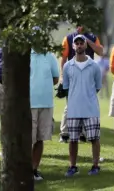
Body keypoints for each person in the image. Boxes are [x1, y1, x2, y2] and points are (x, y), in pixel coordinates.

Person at [62, 34, 102, 177]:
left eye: (81, 43)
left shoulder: (94, 66)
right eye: (76, 43)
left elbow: (98, 87)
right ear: (73, 46)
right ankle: (72, 166)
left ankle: (95, 165)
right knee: (73, 140)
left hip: (91, 108)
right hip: (73, 109)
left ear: (85, 45)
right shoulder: (67, 66)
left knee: (94, 138)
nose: (79, 45)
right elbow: (66, 86)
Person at [59, 26, 103, 143]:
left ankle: (83, 134)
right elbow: (63, 58)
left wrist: (87, 41)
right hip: (73, 73)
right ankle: (64, 133)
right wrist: (62, 76)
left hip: (88, 75)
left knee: (86, 105)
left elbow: (100, 51)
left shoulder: (93, 37)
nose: (80, 27)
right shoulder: (68, 38)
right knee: (70, 105)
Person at [30, 48, 59, 181]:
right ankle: (24, 170)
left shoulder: (50, 56)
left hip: (46, 103)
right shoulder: (26, 56)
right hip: (29, 103)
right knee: (28, 139)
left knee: (40, 138)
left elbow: (55, 78)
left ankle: (34, 169)